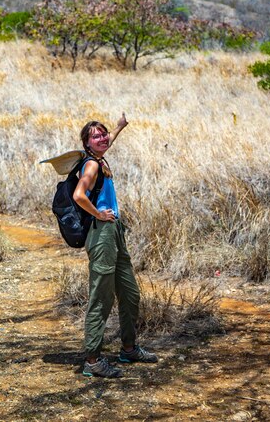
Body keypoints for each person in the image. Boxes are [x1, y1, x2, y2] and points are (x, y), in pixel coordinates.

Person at [73, 113, 158, 378]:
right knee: (102, 296)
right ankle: (93, 360)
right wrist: (98, 214)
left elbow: (109, 140)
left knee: (130, 293)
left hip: (115, 232)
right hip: (102, 235)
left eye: (104, 134)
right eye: (95, 136)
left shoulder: (100, 157)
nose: (102, 138)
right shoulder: (92, 166)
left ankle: (129, 349)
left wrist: (119, 127)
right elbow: (79, 195)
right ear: (87, 143)